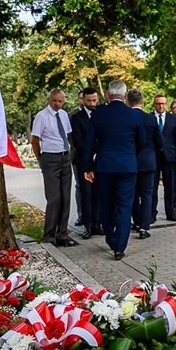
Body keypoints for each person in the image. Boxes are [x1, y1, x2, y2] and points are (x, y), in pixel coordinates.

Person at [83, 80, 146, 260]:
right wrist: (130, 155)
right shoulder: (134, 115)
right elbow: (142, 142)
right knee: (125, 206)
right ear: (125, 96)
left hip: (105, 167)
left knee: (106, 204)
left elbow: (89, 143)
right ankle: (120, 246)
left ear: (108, 95)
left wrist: (88, 167)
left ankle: (111, 238)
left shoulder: (98, 114)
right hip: (127, 167)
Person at [31, 89, 77, 247]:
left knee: (65, 197)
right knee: (54, 198)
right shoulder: (41, 116)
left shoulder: (64, 115)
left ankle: (62, 234)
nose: (57, 104)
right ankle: (49, 235)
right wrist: (41, 160)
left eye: (60, 101)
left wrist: (71, 152)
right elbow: (35, 140)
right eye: (55, 101)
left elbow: (68, 135)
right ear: (49, 100)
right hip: (50, 158)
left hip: (65, 157)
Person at [128, 89, 162, 240]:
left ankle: (136, 222)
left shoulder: (126, 118)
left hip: (130, 161)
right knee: (147, 194)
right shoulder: (151, 119)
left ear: (128, 101)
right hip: (148, 161)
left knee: (133, 194)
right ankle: (144, 226)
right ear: (142, 101)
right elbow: (159, 141)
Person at [70, 87, 101, 239]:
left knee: (98, 193)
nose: (92, 103)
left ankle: (97, 223)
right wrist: (92, 154)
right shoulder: (76, 118)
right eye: (89, 100)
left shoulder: (102, 114)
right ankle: (88, 225)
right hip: (83, 161)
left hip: (100, 161)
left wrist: (98, 153)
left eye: (94, 100)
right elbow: (78, 140)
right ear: (83, 100)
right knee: (86, 193)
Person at [151, 94, 174, 222]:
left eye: (163, 103)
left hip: (169, 157)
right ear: (154, 104)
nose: (161, 106)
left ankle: (171, 212)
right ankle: (151, 214)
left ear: (166, 104)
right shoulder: (148, 118)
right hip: (153, 157)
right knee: (152, 187)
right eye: (158, 103)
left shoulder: (172, 119)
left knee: (170, 186)